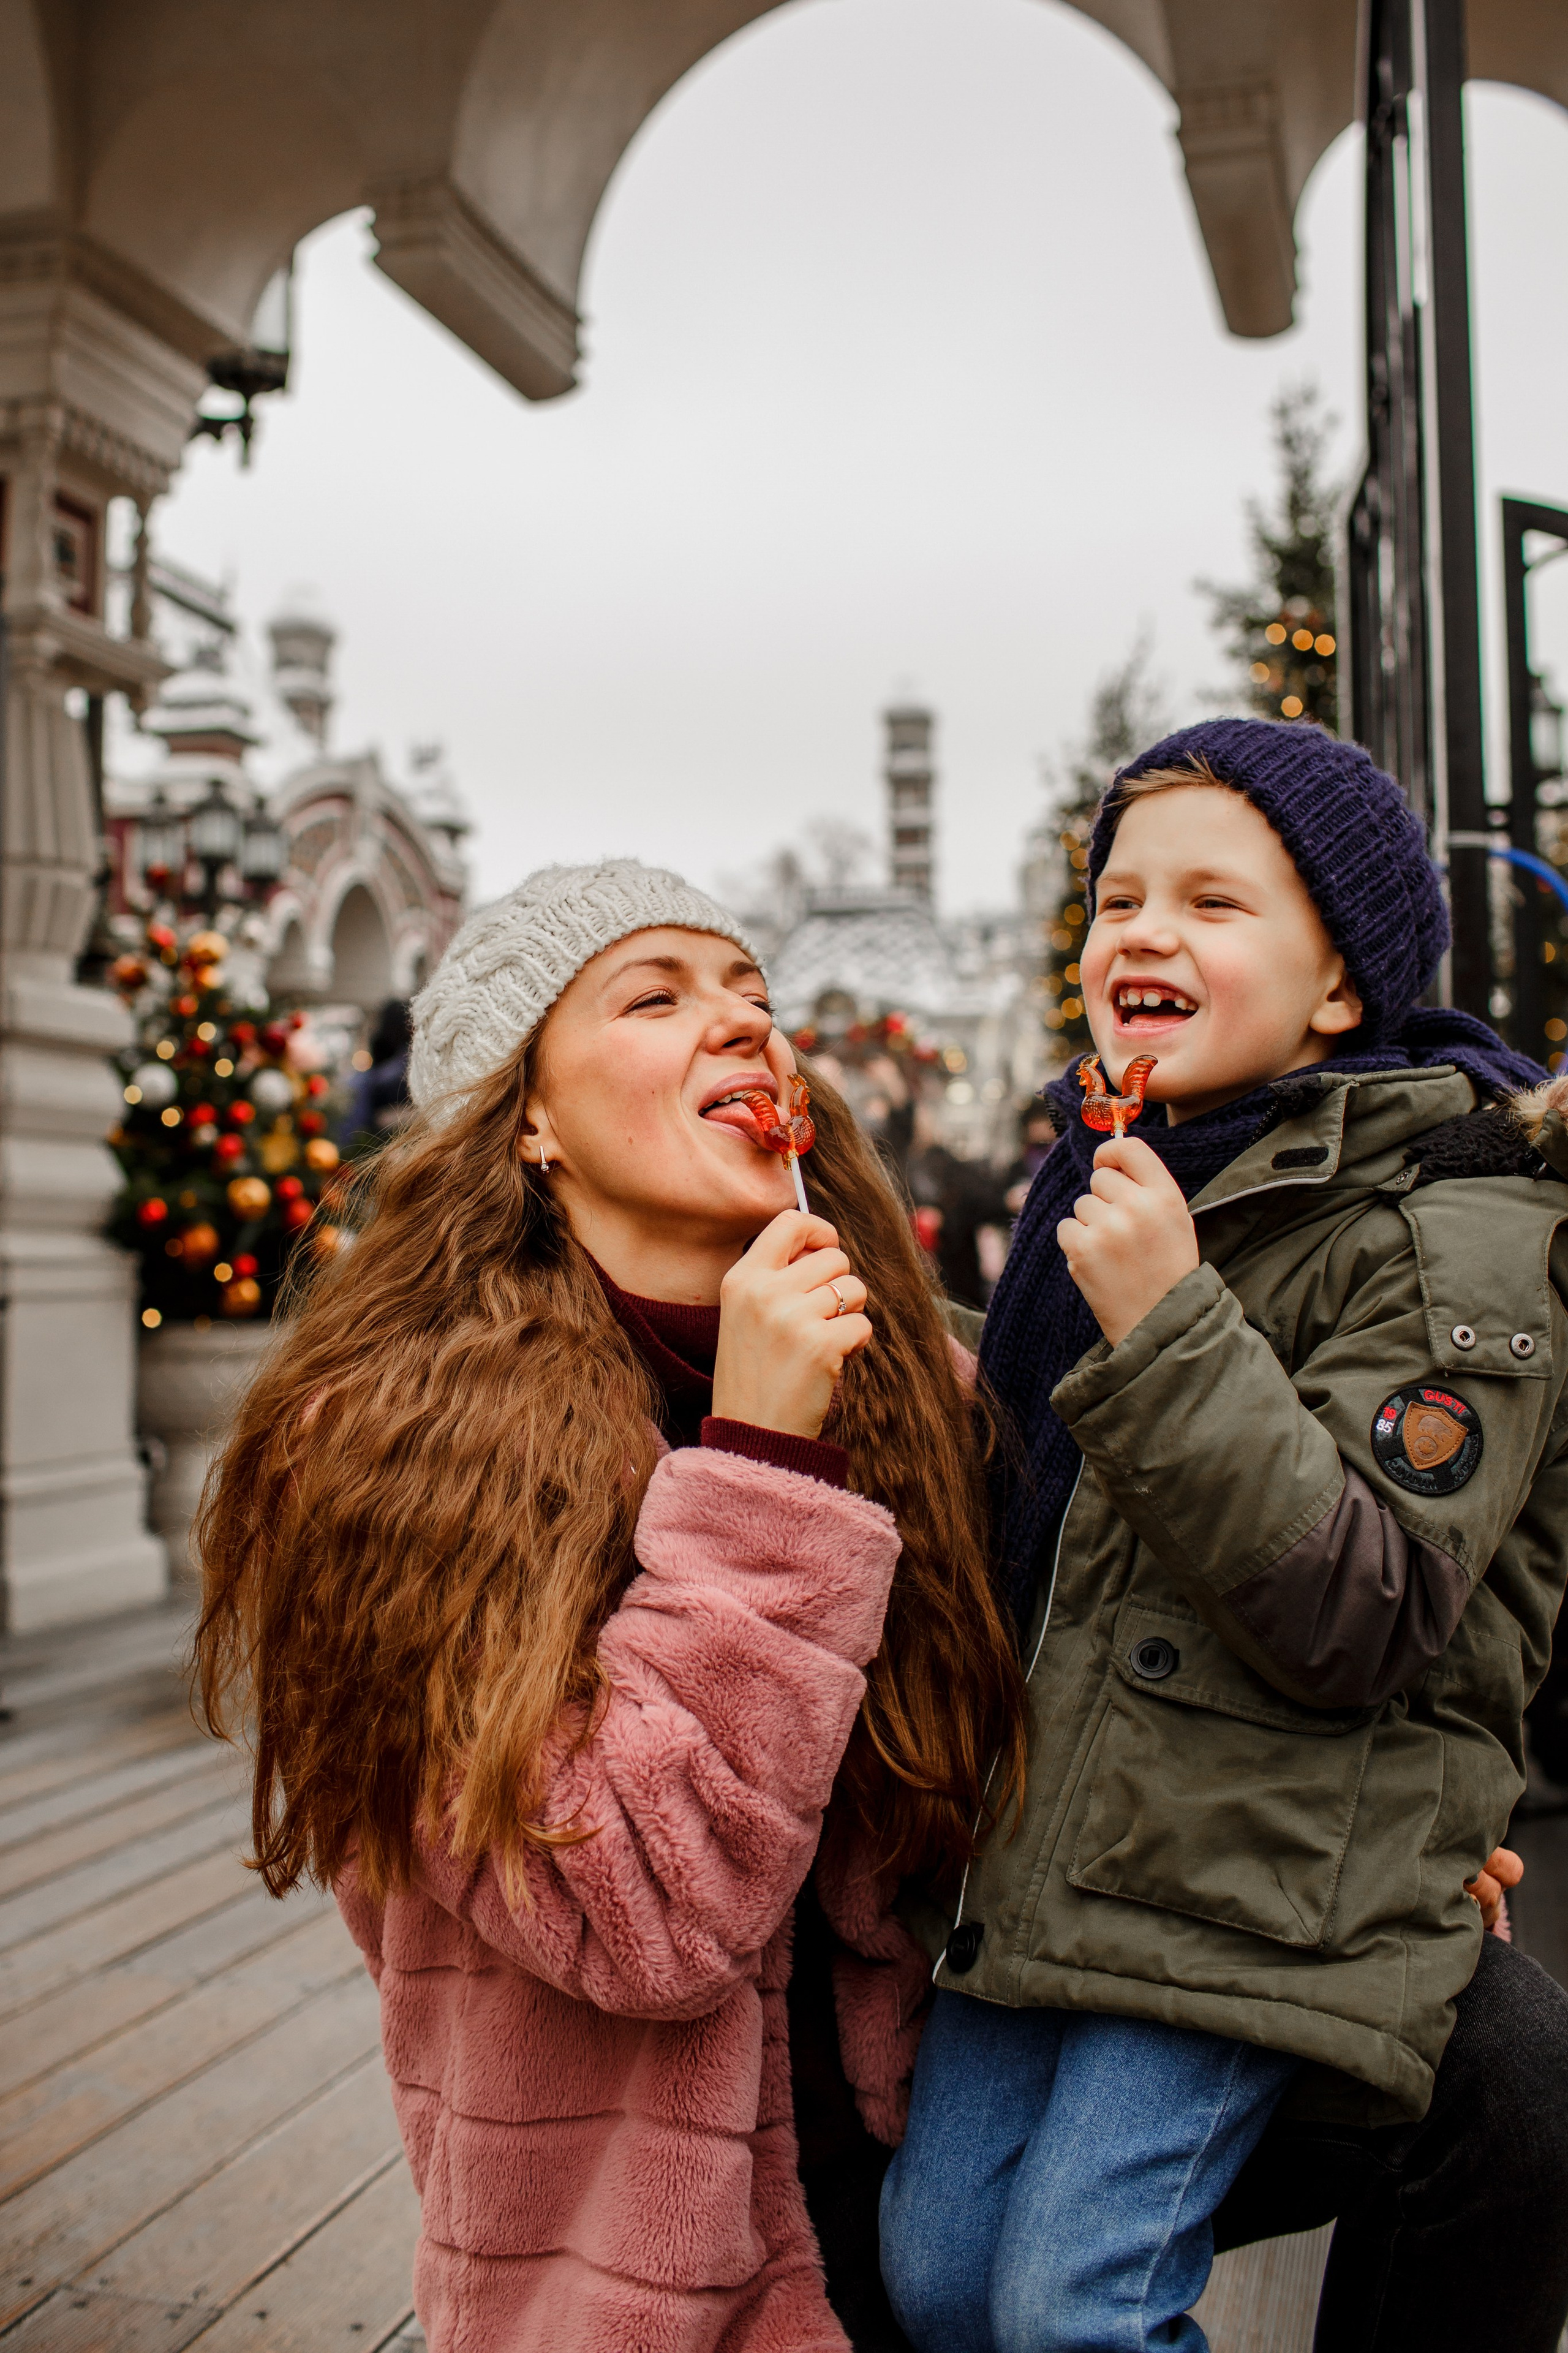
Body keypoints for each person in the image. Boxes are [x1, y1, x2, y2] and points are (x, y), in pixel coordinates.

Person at [192, 860, 1027, 2353]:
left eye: (756, 1000)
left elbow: (1083, 1689)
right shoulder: (373, 1458)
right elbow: (639, 1913)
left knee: (1496, 2082)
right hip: (638, 2293)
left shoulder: (921, 1391)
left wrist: (1348, 1807)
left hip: (940, 2211)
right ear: (525, 1118)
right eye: (655, 997)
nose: (746, 1030)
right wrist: (764, 1457)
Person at [880, 719, 1568, 2353]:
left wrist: (1172, 1322)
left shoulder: (1447, 1231)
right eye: (1117, 899)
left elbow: (1368, 1603)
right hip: (1055, 1847)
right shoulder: (1100, 1187)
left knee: (1074, 2306)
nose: (1143, 934)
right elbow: (1043, 1513)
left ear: (1342, 988)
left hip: (1251, 1868)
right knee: (938, 2268)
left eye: (1213, 901)